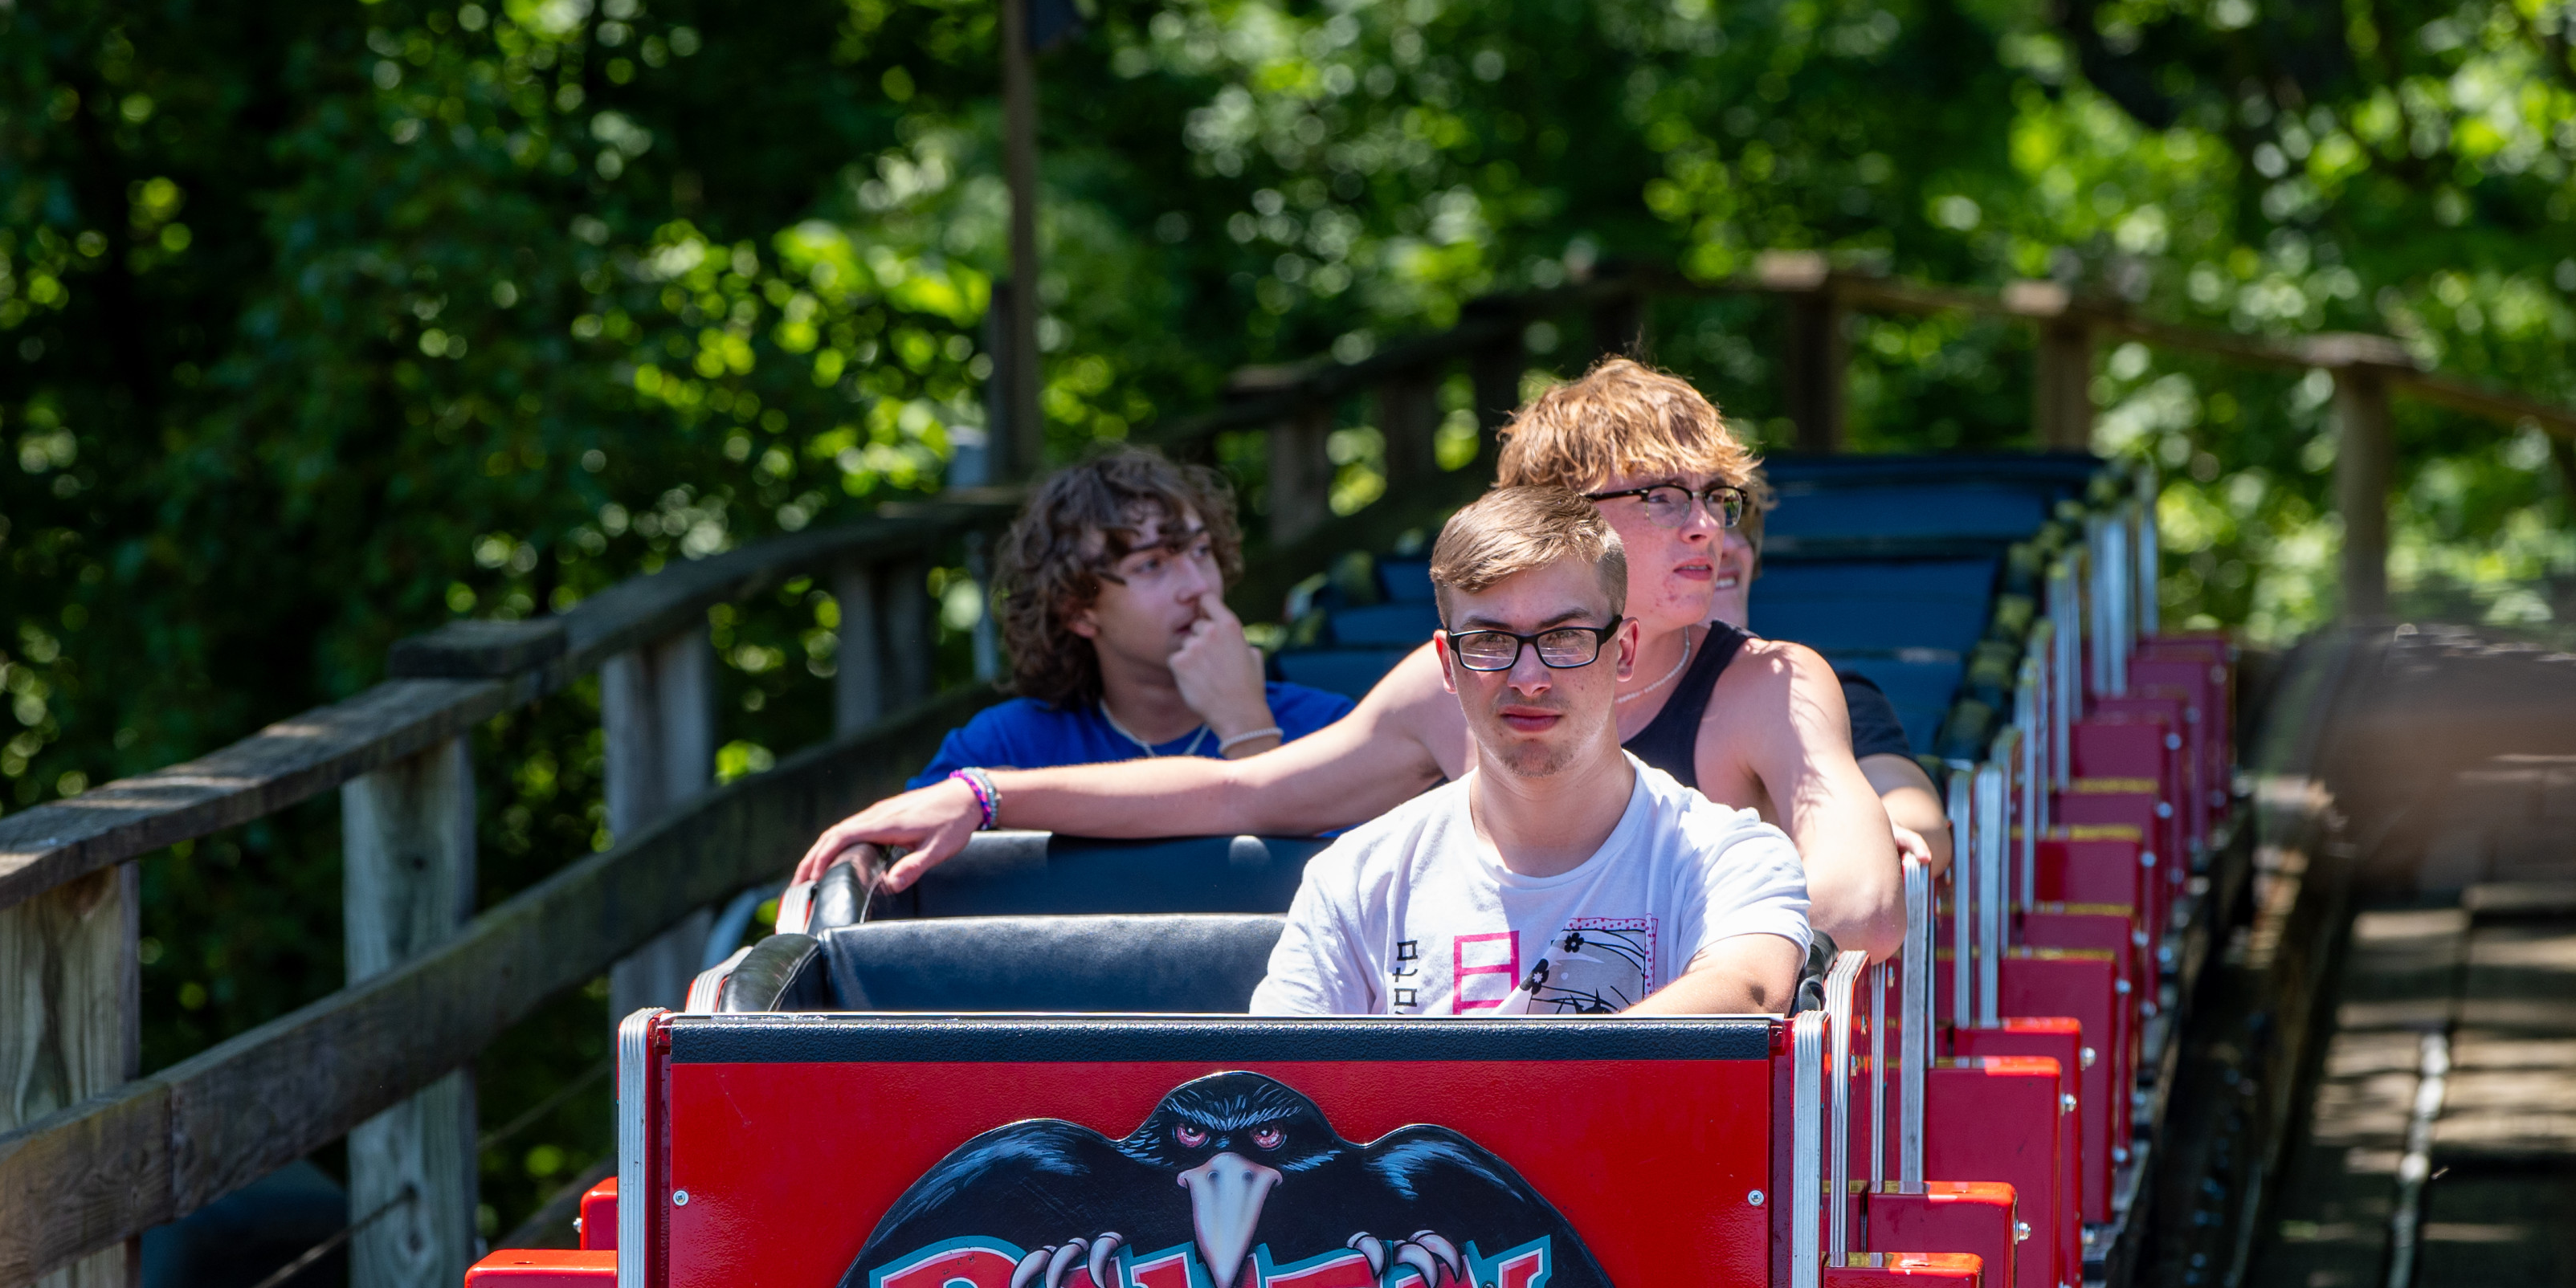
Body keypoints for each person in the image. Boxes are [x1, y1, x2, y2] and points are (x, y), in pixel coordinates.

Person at [794, 358, 1904, 954]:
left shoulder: (1766, 682)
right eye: (1665, 499)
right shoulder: (1450, 684)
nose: (1710, 527)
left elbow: (1861, 901)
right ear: (1563, 519)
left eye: (1716, 496)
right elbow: (1244, 789)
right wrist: (985, 796)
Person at [1251, 488, 1808, 1019]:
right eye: (1490, 642)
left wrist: (1517, 1089)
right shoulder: (1356, 879)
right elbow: (1275, 1083)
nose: (1529, 677)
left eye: (1565, 636)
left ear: (1624, 651)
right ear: (1448, 663)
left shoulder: (1727, 857)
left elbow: (1750, 990)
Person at [907, 445, 1353, 786]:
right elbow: (878, 864)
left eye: (1201, 550)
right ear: (1078, 611)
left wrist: (1248, 731)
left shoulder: (1331, 730)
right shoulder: (1007, 748)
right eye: (1151, 565)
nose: (1197, 585)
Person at [1712, 490, 1956, 874]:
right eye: (1669, 511)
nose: (1724, 542)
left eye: (1732, 520)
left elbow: (1920, 826)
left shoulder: (1829, 696)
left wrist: (1853, 837)